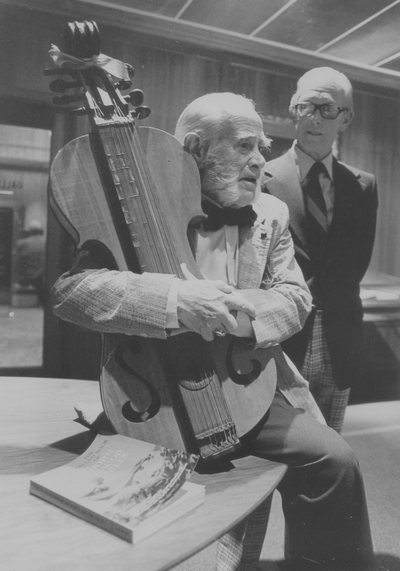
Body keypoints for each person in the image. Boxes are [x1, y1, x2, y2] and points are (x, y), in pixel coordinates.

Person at [52, 92, 375, 571]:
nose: (261, 161)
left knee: (336, 464)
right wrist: (173, 301)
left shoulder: (271, 213)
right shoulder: (135, 209)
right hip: (149, 396)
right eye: (246, 146)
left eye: (262, 147)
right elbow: (72, 293)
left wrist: (236, 314)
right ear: (197, 147)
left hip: (242, 385)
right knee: (100, 515)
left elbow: (294, 298)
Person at [263, 67, 378, 433]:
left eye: (326, 109)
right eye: (305, 106)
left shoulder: (363, 186)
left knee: (331, 448)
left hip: (341, 338)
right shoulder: (261, 179)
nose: (314, 118)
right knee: (278, 450)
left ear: (345, 118)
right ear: (293, 109)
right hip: (281, 341)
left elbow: (357, 263)